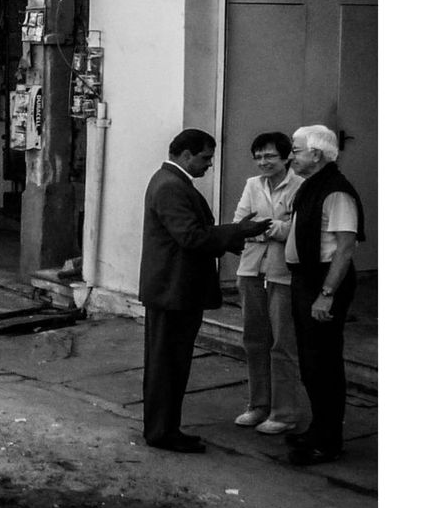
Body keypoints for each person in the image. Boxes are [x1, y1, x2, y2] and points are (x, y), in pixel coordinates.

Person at [139, 128, 270, 453]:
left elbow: (193, 234)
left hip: (173, 290)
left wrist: (230, 238)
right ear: (186, 155)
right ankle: (162, 431)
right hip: (174, 291)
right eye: (205, 158)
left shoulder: (171, 182)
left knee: (168, 363)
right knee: (168, 365)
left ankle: (162, 428)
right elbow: (190, 236)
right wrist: (237, 231)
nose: (209, 164)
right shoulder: (171, 186)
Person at [283, 124, 366, 466]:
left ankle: (328, 441)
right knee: (310, 362)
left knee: (324, 363)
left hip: (323, 284)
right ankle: (318, 429)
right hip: (305, 280)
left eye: (296, 150)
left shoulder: (336, 192)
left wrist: (326, 294)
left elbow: (344, 249)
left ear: (316, 154)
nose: (290, 156)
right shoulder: (311, 186)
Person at [229, 132, 304, 436]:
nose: (263, 162)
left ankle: (284, 413)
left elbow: (298, 230)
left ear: (286, 157)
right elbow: (240, 225)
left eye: (270, 156)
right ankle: (258, 405)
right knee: (254, 340)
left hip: (283, 273)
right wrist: (272, 228)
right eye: (258, 156)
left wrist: (265, 228)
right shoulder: (252, 184)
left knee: (282, 343)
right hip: (251, 270)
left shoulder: (301, 185)